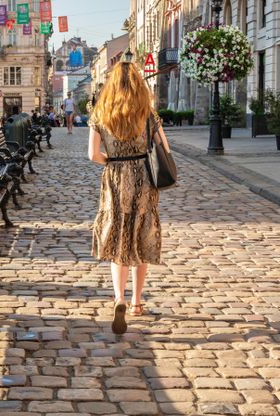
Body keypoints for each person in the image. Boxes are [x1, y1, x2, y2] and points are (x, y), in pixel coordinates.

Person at [87, 61, 171, 335]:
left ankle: (119, 298)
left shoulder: (102, 112)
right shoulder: (147, 113)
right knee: (141, 235)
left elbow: (93, 155)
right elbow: (164, 148)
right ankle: (136, 302)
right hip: (143, 178)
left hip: (114, 178)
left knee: (118, 236)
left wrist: (111, 160)